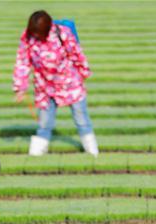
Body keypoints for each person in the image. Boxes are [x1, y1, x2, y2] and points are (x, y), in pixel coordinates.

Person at [12, 10, 98, 157]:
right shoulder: (27, 37)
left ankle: (92, 151)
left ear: (46, 29)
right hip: (44, 87)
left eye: (38, 34)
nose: (36, 36)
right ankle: (36, 154)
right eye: (34, 33)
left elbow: (77, 54)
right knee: (44, 122)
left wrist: (83, 76)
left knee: (81, 119)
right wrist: (20, 87)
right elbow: (23, 62)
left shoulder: (62, 33)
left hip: (70, 84)